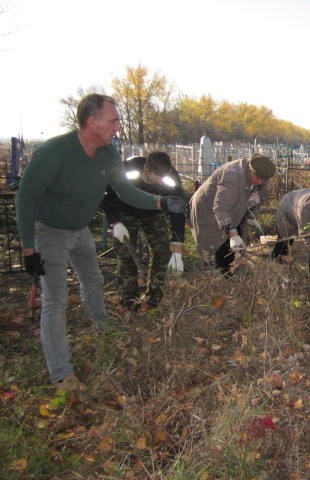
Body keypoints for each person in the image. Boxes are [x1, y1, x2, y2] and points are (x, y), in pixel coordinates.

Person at [15, 93, 184, 391]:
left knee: (93, 280)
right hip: (49, 231)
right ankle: (61, 373)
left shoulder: (108, 154)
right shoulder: (55, 153)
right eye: (114, 119)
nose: (118, 125)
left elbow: (125, 192)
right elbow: (25, 198)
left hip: (80, 230)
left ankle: (104, 330)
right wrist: (29, 250)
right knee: (55, 300)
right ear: (92, 121)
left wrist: (161, 202)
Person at [102, 152, 186, 310]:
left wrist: (177, 248)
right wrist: (115, 222)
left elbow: (178, 212)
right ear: (146, 168)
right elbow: (107, 195)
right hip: (125, 212)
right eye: (156, 177)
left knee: (162, 251)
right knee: (126, 254)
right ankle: (128, 299)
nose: (160, 182)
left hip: (153, 214)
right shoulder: (127, 170)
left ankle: (153, 298)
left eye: (163, 178)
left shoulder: (171, 180)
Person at [189, 152, 276, 275]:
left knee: (235, 239)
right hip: (207, 209)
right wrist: (232, 233)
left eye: (264, 180)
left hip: (233, 208)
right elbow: (220, 208)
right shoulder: (233, 175)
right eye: (258, 178)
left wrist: (252, 217)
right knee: (220, 243)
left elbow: (257, 199)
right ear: (250, 171)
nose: (261, 182)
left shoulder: (261, 176)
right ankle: (218, 274)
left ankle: (227, 269)